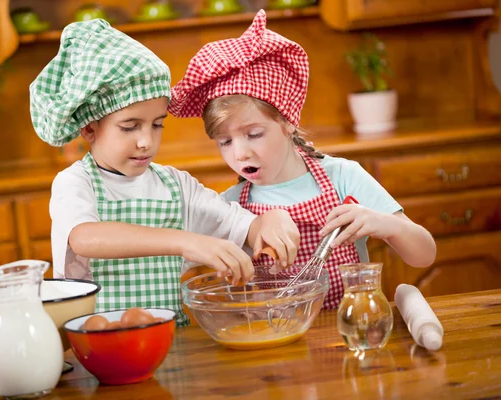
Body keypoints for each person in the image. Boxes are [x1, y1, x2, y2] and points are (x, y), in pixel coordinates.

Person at [29, 19, 300, 326]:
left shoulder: (175, 185)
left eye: (157, 124)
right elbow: (84, 238)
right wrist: (185, 241)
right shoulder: (76, 182)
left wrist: (268, 222)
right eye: (130, 126)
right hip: (98, 350)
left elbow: (237, 223)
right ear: (90, 128)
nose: (146, 141)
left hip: (169, 346)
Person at [168, 10, 436, 309]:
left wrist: (385, 224)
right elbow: (183, 263)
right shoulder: (232, 205)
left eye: (254, 134)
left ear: (288, 122)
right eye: (225, 142)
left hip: (348, 328)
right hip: (277, 338)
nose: (240, 153)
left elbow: (423, 255)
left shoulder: (343, 176)